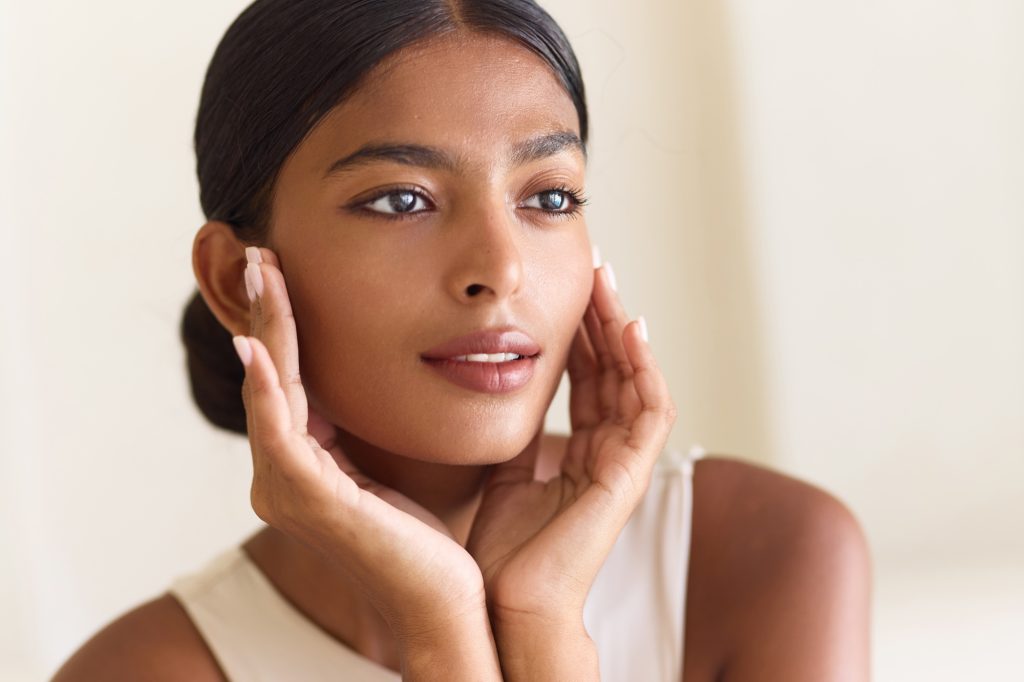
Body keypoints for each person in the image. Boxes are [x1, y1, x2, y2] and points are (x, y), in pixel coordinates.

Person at [52, 1, 871, 680]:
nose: (500, 270)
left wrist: (543, 622)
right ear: (238, 280)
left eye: (549, 198)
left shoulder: (763, 557)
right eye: (401, 200)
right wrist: (441, 630)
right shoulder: (147, 670)